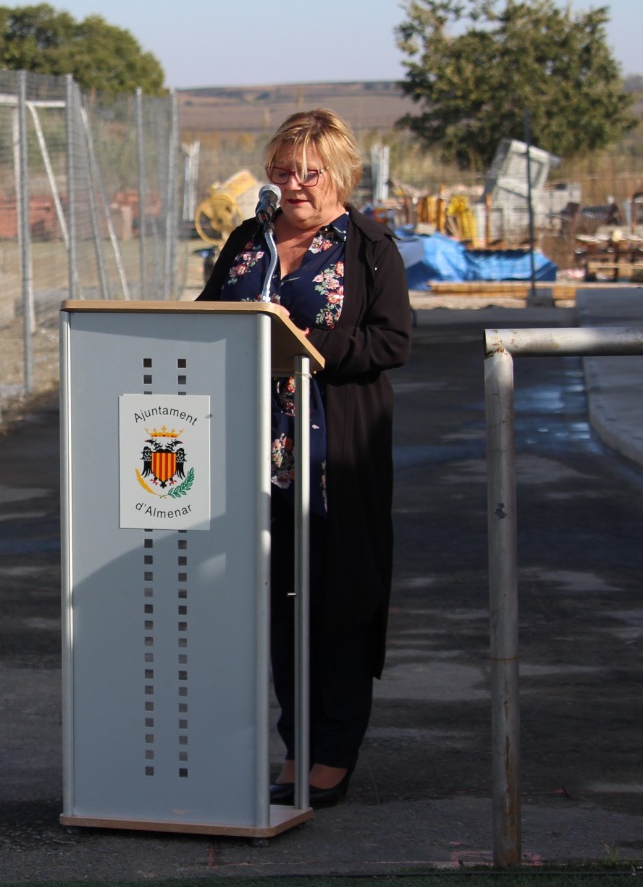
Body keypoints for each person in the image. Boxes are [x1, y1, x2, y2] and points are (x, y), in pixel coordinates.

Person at [196, 108, 411, 808]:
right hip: (249, 458)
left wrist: (306, 343)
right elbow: (206, 315)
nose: (293, 185)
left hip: (331, 459)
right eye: (282, 171)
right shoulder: (247, 239)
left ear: (341, 174)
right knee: (279, 606)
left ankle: (335, 749)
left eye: (309, 173)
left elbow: (392, 341)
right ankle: (298, 746)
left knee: (338, 604)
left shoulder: (369, 247)